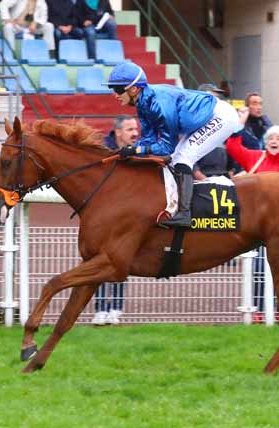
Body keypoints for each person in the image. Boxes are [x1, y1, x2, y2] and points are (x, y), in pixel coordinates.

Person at [105, 61, 241, 228]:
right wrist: (128, 152)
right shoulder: (142, 103)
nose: (115, 94)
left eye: (118, 90)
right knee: (176, 159)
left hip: (221, 116)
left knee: (183, 158)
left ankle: (185, 214)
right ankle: (174, 206)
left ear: (134, 89)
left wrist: (136, 149)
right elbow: (148, 139)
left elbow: (166, 147)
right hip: (199, 120)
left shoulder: (159, 103)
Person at [226, 125, 279, 318]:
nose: (274, 141)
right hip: (257, 228)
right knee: (258, 270)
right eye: (271, 138)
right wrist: (238, 126)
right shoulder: (256, 158)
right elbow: (233, 148)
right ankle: (259, 311)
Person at [91, 115, 138, 325]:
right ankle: (100, 309)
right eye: (130, 129)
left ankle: (116, 309)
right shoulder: (103, 151)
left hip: (127, 216)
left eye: (135, 129)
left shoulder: (140, 150)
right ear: (118, 132)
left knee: (121, 262)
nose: (135, 133)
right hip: (105, 217)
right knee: (101, 261)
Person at [193, 83, 229, 180]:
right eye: (213, 98)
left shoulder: (224, 122)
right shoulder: (192, 123)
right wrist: (202, 178)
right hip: (200, 181)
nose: (217, 102)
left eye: (218, 98)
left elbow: (232, 151)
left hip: (223, 179)